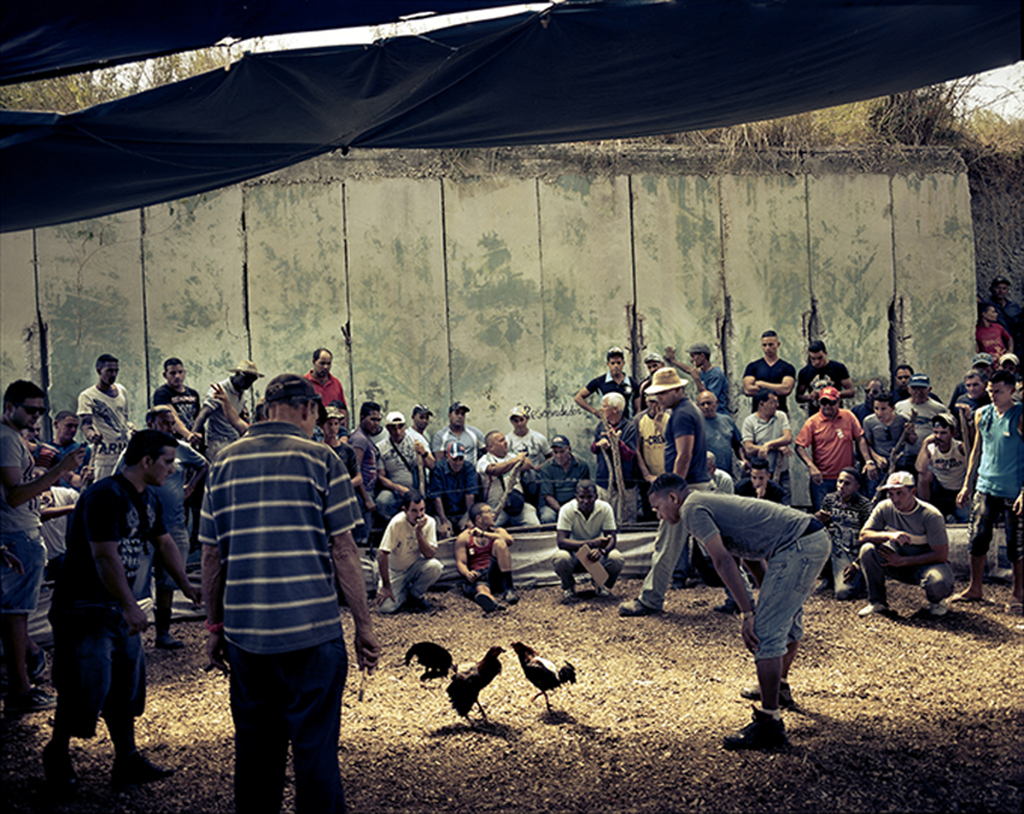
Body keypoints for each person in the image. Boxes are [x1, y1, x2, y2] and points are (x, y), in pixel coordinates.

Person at [201, 374, 380, 814]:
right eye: (317, 414)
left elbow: (210, 557)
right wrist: (364, 625)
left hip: (246, 635)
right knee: (315, 754)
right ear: (307, 409)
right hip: (312, 635)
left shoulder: (223, 463)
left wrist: (214, 626)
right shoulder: (322, 459)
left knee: (256, 756)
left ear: (264, 409)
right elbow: (344, 550)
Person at [44, 430, 201, 791]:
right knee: (83, 686)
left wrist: (187, 585)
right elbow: (104, 554)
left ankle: (126, 759)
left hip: (117, 605)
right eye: (167, 461)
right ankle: (57, 753)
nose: (173, 469)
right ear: (146, 461)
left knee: (126, 686)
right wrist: (131, 607)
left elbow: (163, 543)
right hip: (84, 607)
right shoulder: (104, 495)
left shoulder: (148, 498)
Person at [648, 474, 829, 749]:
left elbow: (722, 560)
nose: (658, 515)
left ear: (673, 498)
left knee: (764, 634)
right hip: (808, 540)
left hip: (798, 546)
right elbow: (747, 556)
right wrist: (763, 596)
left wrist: (748, 613)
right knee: (785, 624)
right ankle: (779, 688)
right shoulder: (707, 503)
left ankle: (770, 725)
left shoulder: (691, 509)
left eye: (657, 508)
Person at [2, 381, 86, 715]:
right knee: (16, 613)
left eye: (41, 410)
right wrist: (59, 471)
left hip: (15, 535)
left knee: (12, 612)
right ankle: (21, 689)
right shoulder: (7, 441)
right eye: (30, 409)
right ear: (10, 405)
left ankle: (26, 666)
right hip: (17, 535)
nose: (37, 416)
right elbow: (15, 496)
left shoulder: (10, 440)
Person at [115, 405, 208, 649]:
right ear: (151, 424)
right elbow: (118, 481)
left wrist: (190, 488)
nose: (169, 427)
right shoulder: (133, 453)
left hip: (174, 524)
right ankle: (129, 635)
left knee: (168, 581)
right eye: (163, 423)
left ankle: (163, 634)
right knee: (135, 580)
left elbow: (204, 465)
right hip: (140, 528)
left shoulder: (180, 449)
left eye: (172, 422)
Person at [952, 370, 1024, 613]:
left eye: (999, 391)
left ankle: (1018, 592)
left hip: (1013, 489)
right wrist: (967, 484)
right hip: (985, 486)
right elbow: (976, 451)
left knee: (1016, 543)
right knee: (978, 537)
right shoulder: (982, 414)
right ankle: (975, 588)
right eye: (991, 391)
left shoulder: (1020, 415)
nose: (993, 395)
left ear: (1012, 391)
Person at [853, 471, 955, 618]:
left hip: (925, 565)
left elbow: (941, 555)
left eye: (900, 493)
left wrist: (904, 561)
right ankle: (877, 602)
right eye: (891, 494)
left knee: (939, 583)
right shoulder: (884, 507)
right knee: (867, 550)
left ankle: (936, 601)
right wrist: (888, 535)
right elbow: (863, 535)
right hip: (895, 560)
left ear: (913, 492)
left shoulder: (931, 515)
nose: (895, 499)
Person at [794, 386, 875, 510]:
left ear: (838, 402)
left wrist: (868, 461)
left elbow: (860, 438)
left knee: (850, 513)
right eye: (823, 402)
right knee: (823, 514)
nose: (827, 406)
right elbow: (799, 446)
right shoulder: (813, 422)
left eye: (831, 402)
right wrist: (811, 467)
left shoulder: (848, 416)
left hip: (846, 477)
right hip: (823, 478)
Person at [553, 481, 624, 601]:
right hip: (574, 553)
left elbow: (612, 538)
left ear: (596, 496)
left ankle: (600, 583)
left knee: (616, 558)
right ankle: (569, 585)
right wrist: (591, 543)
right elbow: (561, 541)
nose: (586, 501)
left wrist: (602, 551)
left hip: (597, 553)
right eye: (582, 497)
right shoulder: (566, 509)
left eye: (590, 497)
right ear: (576, 497)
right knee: (560, 557)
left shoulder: (605, 508)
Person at [375, 489, 443, 614]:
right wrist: (386, 586)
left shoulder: (430, 522)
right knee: (386, 608)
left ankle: (415, 595)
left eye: (422, 509)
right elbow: (382, 553)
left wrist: (419, 533)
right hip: (395, 570)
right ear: (405, 510)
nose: (419, 515)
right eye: (414, 511)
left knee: (435, 566)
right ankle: (403, 593)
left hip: (414, 566)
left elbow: (429, 554)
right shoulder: (397, 523)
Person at [645, 367, 709, 487]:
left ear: (677, 390)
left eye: (663, 393)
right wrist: (658, 423)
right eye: (657, 393)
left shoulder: (682, 414)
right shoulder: (685, 409)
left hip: (690, 484)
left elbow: (684, 455)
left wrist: (675, 488)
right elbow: (675, 441)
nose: (659, 398)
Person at [815, 467, 872, 600]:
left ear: (856, 487)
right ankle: (829, 576)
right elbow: (820, 526)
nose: (841, 486)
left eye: (847, 483)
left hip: (852, 552)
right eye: (840, 482)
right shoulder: (830, 499)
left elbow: (870, 537)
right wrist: (818, 519)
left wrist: (857, 564)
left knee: (843, 593)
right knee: (815, 541)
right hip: (834, 548)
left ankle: (860, 579)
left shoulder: (864, 506)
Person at [193, 360, 262, 461]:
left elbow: (238, 415)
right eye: (247, 378)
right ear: (237, 374)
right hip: (219, 441)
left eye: (253, 380)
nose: (249, 383)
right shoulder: (219, 389)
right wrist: (192, 435)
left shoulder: (243, 393)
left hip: (235, 439)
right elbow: (203, 413)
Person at [78, 353, 132, 479]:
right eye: (109, 371)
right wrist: (91, 435)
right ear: (99, 371)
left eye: (116, 371)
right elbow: (86, 424)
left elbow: (124, 418)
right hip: (105, 457)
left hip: (124, 454)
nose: (113, 375)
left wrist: (130, 428)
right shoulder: (88, 396)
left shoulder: (122, 390)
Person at [454, 503, 516, 611]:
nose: (493, 515)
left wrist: (483, 534)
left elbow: (509, 540)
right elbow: (461, 562)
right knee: (481, 589)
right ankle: (491, 602)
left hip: (495, 572)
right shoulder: (464, 537)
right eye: (488, 512)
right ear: (479, 518)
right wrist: (467, 573)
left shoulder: (497, 532)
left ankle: (509, 590)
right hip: (479, 575)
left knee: (499, 543)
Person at [590, 393, 640, 523]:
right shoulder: (601, 425)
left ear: (615, 409)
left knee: (626, 520)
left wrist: (616, 441)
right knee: (604, 521)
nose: (601, 410)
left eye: (605, 406)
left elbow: (629, 455)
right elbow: (593, 449)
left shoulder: (629, 428)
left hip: (625, 483)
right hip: (604, 482)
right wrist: (599, 444)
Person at [375, 411, 434, 521]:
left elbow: (432, 465)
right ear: (387, 428)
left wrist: (424, 453)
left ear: (405, 426)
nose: (397, 431)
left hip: (415, 488)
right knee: (382, 501)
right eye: (393, 427)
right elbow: (381, 476)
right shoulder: (381, 447)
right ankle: (396, 524)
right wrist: (398, 488)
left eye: (400, 426)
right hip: (394, 490)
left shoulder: (417, 440)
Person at [477, 430, 540, 527]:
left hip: (518, 505)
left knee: (534, 523)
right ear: (491, 446)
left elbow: (528, 464)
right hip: (496, 508)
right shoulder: (484, 460)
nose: (506, 442)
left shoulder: (512, 454)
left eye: (505, 439)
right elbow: (494, 470)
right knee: (489, 528)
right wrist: (515, 461)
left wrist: (516, 461)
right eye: (501, 441)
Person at [741, 389, 793, 504]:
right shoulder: (749, 422)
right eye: (773, 402)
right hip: (759, 475)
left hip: (780, 471)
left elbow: (788, 438)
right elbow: (748, 448)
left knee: (784, 506)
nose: (777, 405)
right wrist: (778, 447)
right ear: (761, 403)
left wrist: (767, 445)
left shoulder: (781, 416)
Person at [915, 413, 969, 523]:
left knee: (965, 518)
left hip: (958, 490)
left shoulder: (960, 448)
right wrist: (925, 443)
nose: (939, 437)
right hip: (939, 490)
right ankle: (923, 512)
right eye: (936, 433)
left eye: (943, 433)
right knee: (924, 476)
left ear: (953, 433)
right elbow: (920, 469)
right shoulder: (931, 449)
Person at [861, 391, 914, 492]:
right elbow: (868, 444)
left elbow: (912, 441)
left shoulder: (902, 420)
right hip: (880, 464)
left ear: (892, 408)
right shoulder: (869, 422)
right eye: (876, 408)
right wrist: (876, 458)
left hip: (899, 463)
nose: (879, 413)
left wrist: (910, 431)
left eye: (883, 409)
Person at [427, 441, 478, 538]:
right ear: (447, 457)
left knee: (470, 532)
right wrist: (443, 521)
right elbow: (437, 497)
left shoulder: (469, 468)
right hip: (444, 513)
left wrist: (469, 518)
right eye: (454, 459)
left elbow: (470, 494)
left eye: (461, 459)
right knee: (445, 533)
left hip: (463, 512)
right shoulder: (438, 469)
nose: (458, 463)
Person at [537, 435, 591, 524]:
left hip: (575, 504)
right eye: (555, 452)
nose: (559, 456)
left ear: (569, 449)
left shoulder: (581, 466)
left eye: (562, 452)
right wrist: (561, 510)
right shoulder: (546, 467)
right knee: (547, 517)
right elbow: (548, 496)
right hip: (553, 506)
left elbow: (584, 492)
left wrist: (572, 508)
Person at [349, 401, 382, 544]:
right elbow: (356, 471)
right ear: (362, 418)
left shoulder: (366, 437)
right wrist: (366, 499)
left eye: (379, 420)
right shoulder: (359, 439)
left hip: (367, 492)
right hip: (361, 495)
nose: (376, 423)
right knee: (361, 538)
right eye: (372, 419)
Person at [574, 346, 637, 421]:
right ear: (608, 364)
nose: (616, 366)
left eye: (618, 363)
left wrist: (634, 423)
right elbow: (578, 397)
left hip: (627, 426)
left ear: (623, 363)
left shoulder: (632, 382)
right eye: (612, 363)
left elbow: (638, 408)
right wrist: (594, 411)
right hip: (607, 426)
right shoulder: (600, 382)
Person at [665, 342, 730, 414]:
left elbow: (708, 398)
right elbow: (689, 369)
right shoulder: (703, 372)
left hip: (717, 415)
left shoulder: (716, 374)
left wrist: (696, 379)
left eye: (693, 356)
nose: (691, 360)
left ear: (702, 356)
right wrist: (674, 361)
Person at [506, 405, 550, 508]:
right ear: (511, 422)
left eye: (521, 420)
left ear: (527, 419)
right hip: (516, 477)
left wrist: (539, 467)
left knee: (531, 474)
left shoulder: (538, 438)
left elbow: (550, 456)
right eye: (515, 421)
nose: (519, 424)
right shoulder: (507, 440)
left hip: (536, 476)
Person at [742, 330, 796, 413]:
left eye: (770, 344)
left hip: (780, 413)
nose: (767, 348)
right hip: (758, 414)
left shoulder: (787, 367)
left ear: (778, 344)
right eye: (764, 345)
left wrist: (761, 384)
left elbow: (786, 389)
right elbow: (748, 390)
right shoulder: (753, 366)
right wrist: (778, 388)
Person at [895, 374, 946, 461]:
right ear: (908, 389)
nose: (918, 392)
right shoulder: (899, 407)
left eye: (922, 388)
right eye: (914, 388)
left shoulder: (938, 409)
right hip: (905, 455)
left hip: (930, 455)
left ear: (929, 389)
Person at [634, 394, 669, 520]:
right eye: (651, 402)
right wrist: (646, 474)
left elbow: (673, 443)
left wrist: (659, 423)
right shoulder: (639, 419)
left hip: (667, 473)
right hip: (649, 474)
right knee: (650, 509)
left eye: (657, 401)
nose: (654, 405)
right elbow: (637, 449)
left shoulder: (670, 416)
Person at [796, 340, 855, 414]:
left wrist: (833, 394)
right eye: (813, 359)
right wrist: (810, 396)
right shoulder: (804, 372)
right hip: (816, 415)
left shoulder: (838, 368)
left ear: (826, 353)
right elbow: (798, 397)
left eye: (820, 358)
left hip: (836, 413)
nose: (817, 362)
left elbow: (851, 392)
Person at [696, 390, 745, 478]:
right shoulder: (695, 425)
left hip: (726, 472)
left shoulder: (727, 420)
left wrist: (744, 460)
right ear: (698, 406)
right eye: (702, 404)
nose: (706, 406)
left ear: (716, 403)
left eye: (709, 403)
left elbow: (737, 444)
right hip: (703, 474)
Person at [152, 357, 202, 442]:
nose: (177, 376)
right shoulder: (162, 393)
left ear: (184, 373)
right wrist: (189, 435)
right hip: (172, 442)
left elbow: (197, 418)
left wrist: (197, 436)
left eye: (180, 372)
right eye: (173, 373)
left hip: (193, 440)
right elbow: (172, 417)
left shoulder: (193, 393)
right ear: (165, 375)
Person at [430, 402, 486, 468]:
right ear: (449, 416)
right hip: (450, 475)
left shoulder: (474, 433)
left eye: (463, 414)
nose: (460, 416)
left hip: (471, 474)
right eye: (457, 413)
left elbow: (487, 452)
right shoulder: (441, 436)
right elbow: (439, 462)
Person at [51, 410, 93, 489]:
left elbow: (77, 479)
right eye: (69, 425)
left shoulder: (84, 450)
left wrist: (86, 477)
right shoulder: (45, 449)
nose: (73, 430)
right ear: (56, 424)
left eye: (75, 426)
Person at [982, 275, 1022, 353]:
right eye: (997, 288)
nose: (1000, 291)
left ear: (1007, 290)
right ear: (992, 289)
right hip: (996, 344)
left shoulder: (1013, 306)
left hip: (1015, 343)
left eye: (1004, 288)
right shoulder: (986, 306)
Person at [633, 351, 667, 415]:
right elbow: (640, 408)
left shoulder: (670, 382)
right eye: (649, 367)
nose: (652, 369)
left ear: (662, 365)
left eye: (655, 366)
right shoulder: (644, 385)